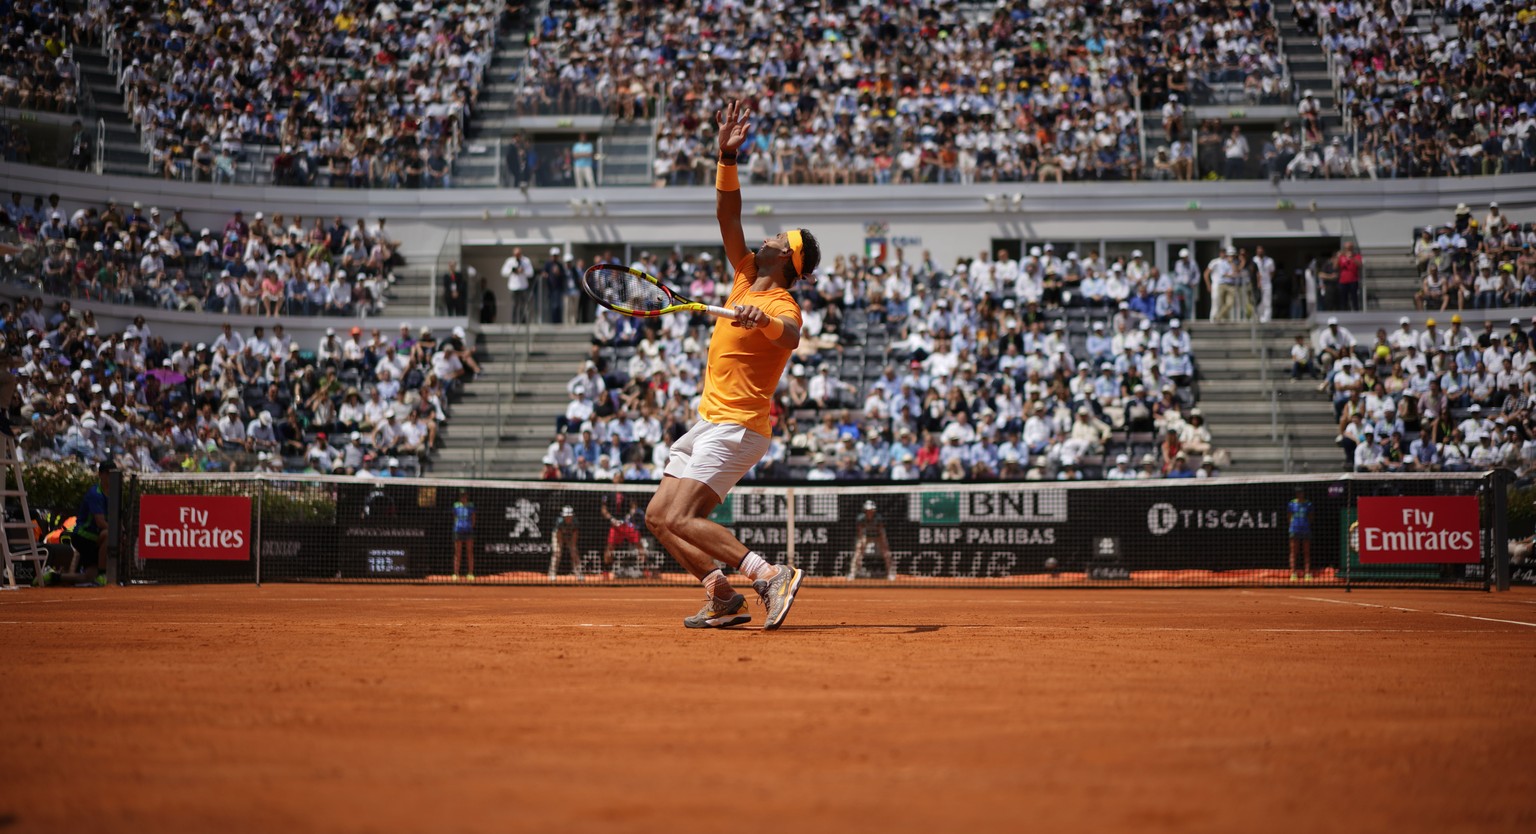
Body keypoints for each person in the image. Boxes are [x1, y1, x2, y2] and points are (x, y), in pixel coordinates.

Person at [644, 99, 820, 631]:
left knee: (681, 517)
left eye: (776, 239)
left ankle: (768, 575)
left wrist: (759, 322)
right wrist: (726, 155)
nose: (766, 237)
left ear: (786, 259)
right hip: (708, 422)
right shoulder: (745, 275)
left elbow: (790, 336)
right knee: (658, 518)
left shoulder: (780, 304)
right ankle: (720, 595)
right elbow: (728, 213)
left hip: (739, 427)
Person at [57, 462, 113, 586]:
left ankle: (55, 577)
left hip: (95, 537)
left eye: (113, 474)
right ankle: (102, 573)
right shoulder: (95, 494)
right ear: (100, 475)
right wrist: (118, 532)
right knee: (109, 534)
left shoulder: (113, 494)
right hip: (83, 536)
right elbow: (100, 522)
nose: (110, 477)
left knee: (88, 576)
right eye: (108, 474)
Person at [601, 473, 647, 579]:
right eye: (616, 477)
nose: (618, 479)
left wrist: (627, 518)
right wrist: (612, 519)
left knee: (639, 545)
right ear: (613, 479)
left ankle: (645, 569)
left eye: (620, 477)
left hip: (627, 524)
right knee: (610, 547)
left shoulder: (627, 491)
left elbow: (633, 507)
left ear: (623, 479)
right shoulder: (608, 493)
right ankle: (606, 571)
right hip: (614, 524)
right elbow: (603, 509)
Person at [847, 500, 895, 581]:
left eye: (871, 510)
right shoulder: (861, 519)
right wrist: (861, 541)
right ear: (865, 511)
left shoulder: (879, 518)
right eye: (868, 511)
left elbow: (882, 531)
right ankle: (853, 573)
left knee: (886, 553)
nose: (869, 512)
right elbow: (860, 532)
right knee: (858, 552)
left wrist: (884, 542)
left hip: (878, 536)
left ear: (874, 511)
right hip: (866, 536)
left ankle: (891, 573)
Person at [549, 505, 583, 581]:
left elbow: (575, 535)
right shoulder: (559, 522)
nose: (568, 518)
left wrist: (573, 547)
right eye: (566, 516)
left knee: (574, 553)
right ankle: (552, 574)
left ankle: (579, 574)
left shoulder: (575, 522)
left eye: (569, 516)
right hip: (558, 535)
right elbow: (559, 536)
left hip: (570, 536)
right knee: (557, 552)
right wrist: (559, 546)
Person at [1287, 487, 1313, 581]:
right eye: (1298, 492)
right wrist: (1293, 526)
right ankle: (1293, 573)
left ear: (1303, 493)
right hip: (1294, 530)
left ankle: (1307, 573)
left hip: (1305, 530)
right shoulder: (1291, 504)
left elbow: (1310, 517)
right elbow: (1289, 517)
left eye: (1301, 492)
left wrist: (1304, 525)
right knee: (1294, 552)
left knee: (1306, 552)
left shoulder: (1308, 504)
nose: (1299, 494)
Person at [451, 489, 475, 581]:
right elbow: (455, 518)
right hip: (458, 531)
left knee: (469, 552)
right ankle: (456, 574)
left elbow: (473, 519)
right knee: (458, 553)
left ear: (467, 496)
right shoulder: (456, 506)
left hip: (468, 531)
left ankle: (470, 573)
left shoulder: (471, 506)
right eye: (461, 495)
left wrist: (469, 527)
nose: (463, 497)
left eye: (464, 495)